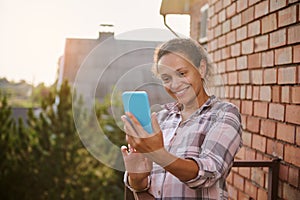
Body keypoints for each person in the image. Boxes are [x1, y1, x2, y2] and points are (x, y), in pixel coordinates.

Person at [121, 38, 242, 199]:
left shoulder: (224, 114)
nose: (175, 84)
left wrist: (157, 153)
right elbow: (145, 191)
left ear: (201, 69)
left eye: (182, 73)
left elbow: (209, 173)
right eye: (166, 78)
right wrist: (137, 179)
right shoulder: (161, 119)